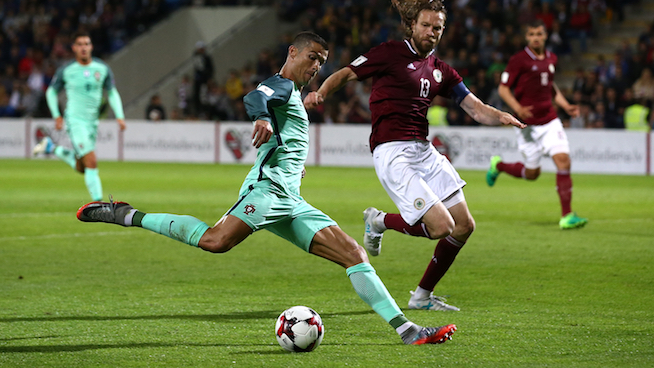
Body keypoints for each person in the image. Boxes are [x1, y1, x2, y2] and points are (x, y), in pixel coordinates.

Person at [76, 32, 456, 345]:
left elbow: (285, 139)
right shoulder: (280, 84)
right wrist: (261, 118)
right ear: (292, 52)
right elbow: (255, 96)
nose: (316, 66)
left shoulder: (293, 94)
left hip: (290, 198)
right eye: (312, 57)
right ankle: (127, 215)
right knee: (215, 241)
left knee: (355, 254)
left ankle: (408, 332)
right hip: (266, 192)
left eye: (322, 61)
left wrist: (294, 167)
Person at [304, 0, 525, 312]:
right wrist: (322, 92)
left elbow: (475, 107)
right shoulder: (389, 52)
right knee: (441, 227)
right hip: (393, 152)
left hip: (424, 150)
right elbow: (345, 74)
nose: (431, 32)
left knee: (464, 226)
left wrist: (500, 115)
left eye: (438, 28)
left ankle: (421, 296)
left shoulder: (441, 71)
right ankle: (379, 221)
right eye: (426, 25)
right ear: (412, 25)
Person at [487, 19, 588, 230]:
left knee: (563, 161)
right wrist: (518, 108)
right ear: (527, 37)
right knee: (532, 174)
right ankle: (499, 165)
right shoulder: (518, 60)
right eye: (532, 34)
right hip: (527, 126)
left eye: (539, 34)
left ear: (545, 36)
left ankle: (567, 215)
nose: (536, 38)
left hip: (550, 121)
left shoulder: (551, 57)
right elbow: (504, 89)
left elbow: (550, 86)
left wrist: (565, 105)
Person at [33, 31, 125, 202]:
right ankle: (99, 205)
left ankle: (51, 148)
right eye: (80, 44)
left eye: (86, 44)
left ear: (91, 47)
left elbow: (112, 93)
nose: (83, 47)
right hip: (75, 121)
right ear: (74, 48)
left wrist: (119, 116)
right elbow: (51, 92)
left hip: (92, 123)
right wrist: (57, 115)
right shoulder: (66, 70)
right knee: (91, 161)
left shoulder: (102, 69)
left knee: (83, 166)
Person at [192, 41, 214, 117]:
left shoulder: (206, 57)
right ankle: (198, 111)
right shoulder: (196, 56)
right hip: (198, 80)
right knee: (197, 95)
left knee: (204, 96)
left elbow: (210, 69)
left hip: (204, 80)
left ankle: (205, 112)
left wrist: (209, 79)